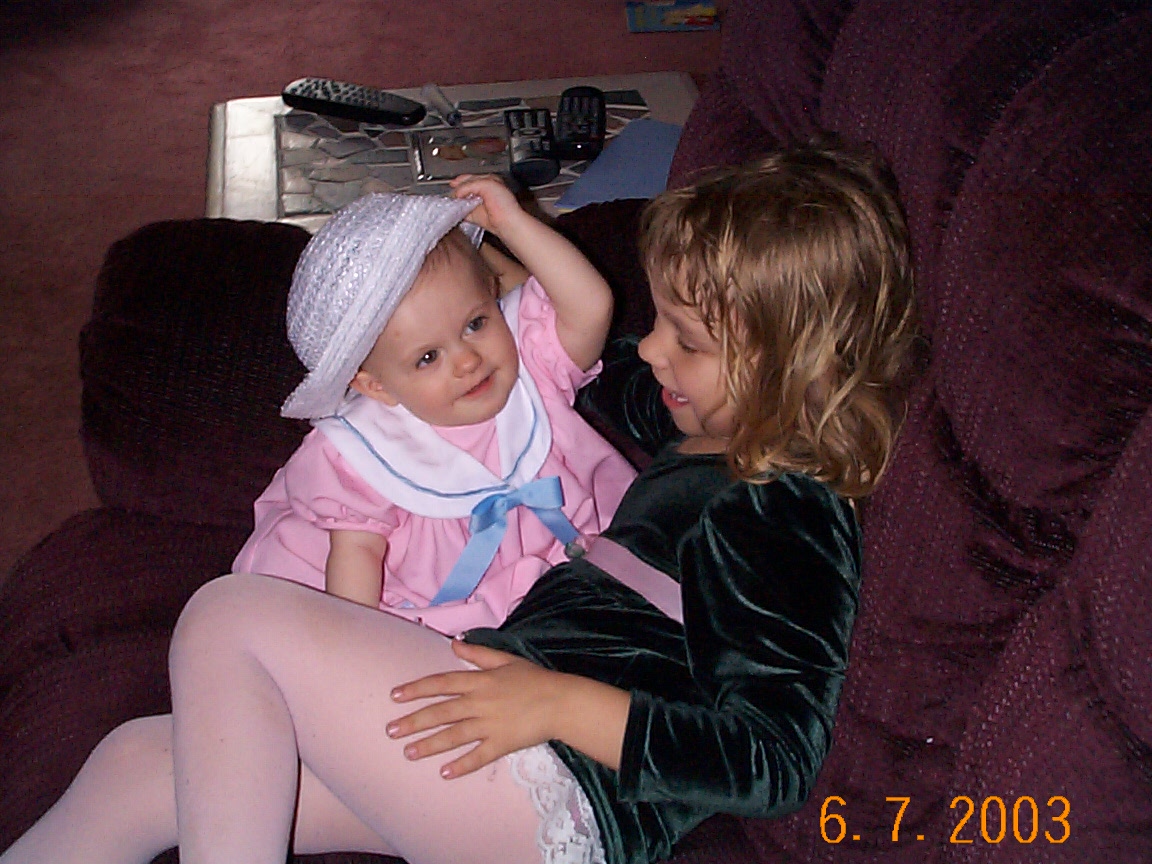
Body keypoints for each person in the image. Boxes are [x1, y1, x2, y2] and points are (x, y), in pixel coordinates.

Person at [0, 138, 917, 864]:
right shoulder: (707, 433)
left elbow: (774, 759)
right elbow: (577, 358)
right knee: (137, 764)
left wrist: (555, 705)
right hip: (498, 738)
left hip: (560, 789)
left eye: (686, 339)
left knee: (228, 614)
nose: (652, 350)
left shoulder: (785, 507)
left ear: (791, 359)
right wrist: (480, 288)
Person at [230, 178, 637, 633]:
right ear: (376, 387)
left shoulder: (530, 365)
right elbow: (356, 559)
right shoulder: (365, 451)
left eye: (475, 323)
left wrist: (511, 223)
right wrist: (359, 642)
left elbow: (590, 305)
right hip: (429, 609)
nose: (467, 361)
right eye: (427, 357)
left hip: (567, 565)